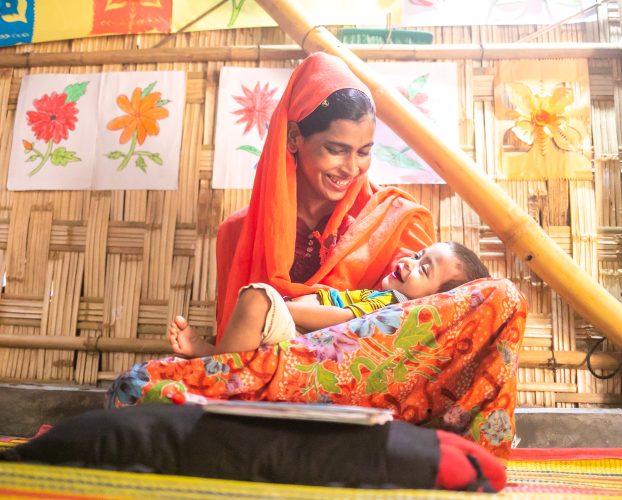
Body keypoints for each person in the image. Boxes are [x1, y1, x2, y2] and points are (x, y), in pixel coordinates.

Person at [215, 51, 435, 342]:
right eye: (336, 149)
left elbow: (428, 329)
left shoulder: (396, 226)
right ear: (294, 137)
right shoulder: (239, 233)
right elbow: (230, 346)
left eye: (364, 151)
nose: (352, 168)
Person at [169, 242, 490, 357]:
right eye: (419, 254)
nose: (410, 261)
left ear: (436, 302)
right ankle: (215, 358)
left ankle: (214, 367)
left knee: (257, 298)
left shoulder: (398, 309)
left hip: (307, 344)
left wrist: (289, 307)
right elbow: (339, 301)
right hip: (301, 336)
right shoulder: (382, 295)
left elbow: (346, 321)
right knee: (261, 307)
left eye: (424, 268)